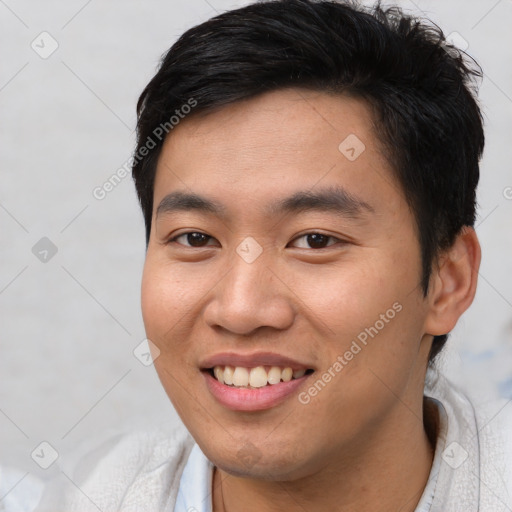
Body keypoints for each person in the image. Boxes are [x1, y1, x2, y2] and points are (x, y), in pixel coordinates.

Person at [35, 0, 512, 510]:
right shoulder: (88, 495)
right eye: (196, 239)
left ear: (448, 279)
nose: (240, 310)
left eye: (315, 240)